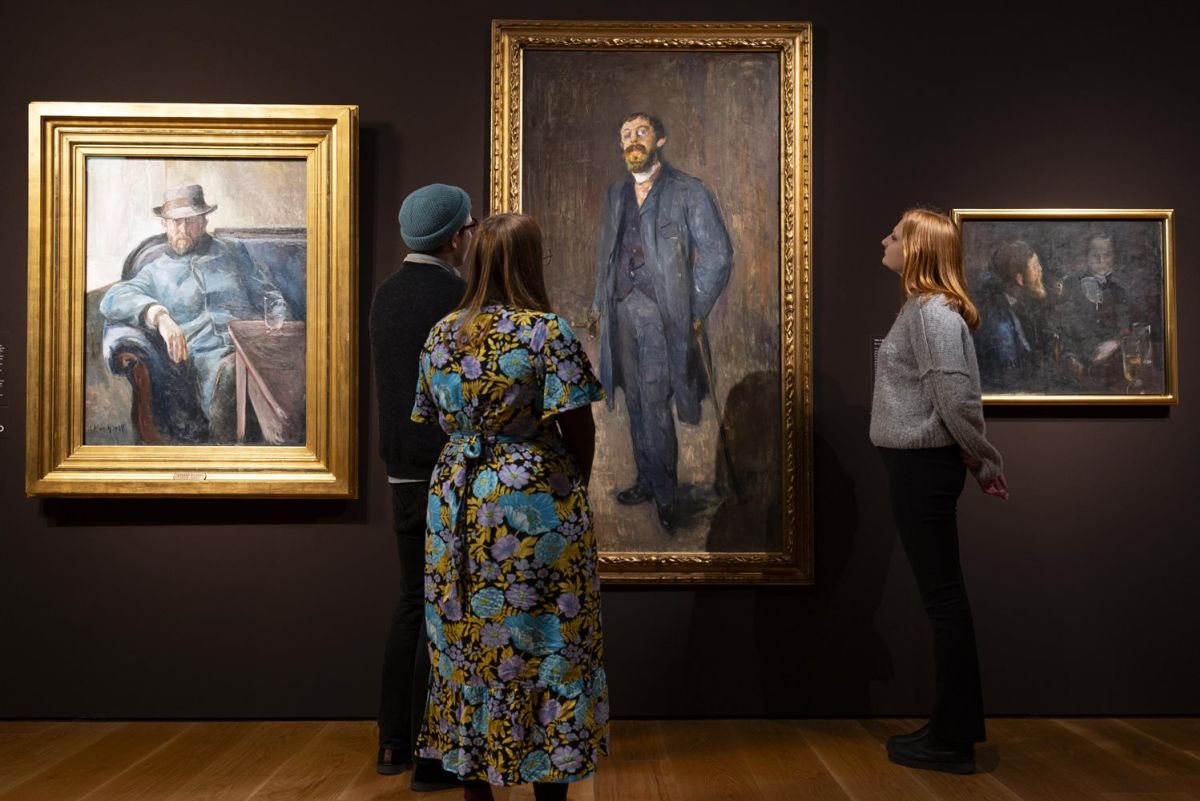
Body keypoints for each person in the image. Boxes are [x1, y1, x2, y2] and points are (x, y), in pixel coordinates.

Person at [412, 213, 609, 801]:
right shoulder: (547, 331)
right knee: (547, 638)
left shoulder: (441, 333)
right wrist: (571, 494)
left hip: (456, 499)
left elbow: (432, 417)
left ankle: (476, 790)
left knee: (466, 641)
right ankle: (550, 787)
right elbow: (580, 428)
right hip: (532, 500)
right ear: (528, 262)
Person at [870, 208, 1009, 775]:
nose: (885, 239)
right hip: (918, 466)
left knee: (944, 602)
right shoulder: (922, 310)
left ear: (918, 249)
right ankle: (949, 728)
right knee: (943, 601)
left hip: (923, 468)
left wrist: (985, 461)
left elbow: (955, 398)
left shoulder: (932, 313)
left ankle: (952, 741)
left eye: (896, 234)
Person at [369, 183, 475, 792]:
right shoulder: (459, 297)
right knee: (451, 606)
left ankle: (392, 741)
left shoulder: (386, 294)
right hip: (448, 470)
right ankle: (436, 753)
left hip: (401, 469)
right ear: (457, 237)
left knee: (412, 599)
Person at [586, 112, 733, 532]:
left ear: (660, 139)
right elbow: (607, 257)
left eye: (641, 132)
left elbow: (718, 255)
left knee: (654, 401)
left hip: (664, 315)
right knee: (633, 398)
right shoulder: (616, 194)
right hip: (621, 311)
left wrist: (692, 309)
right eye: (626, 134)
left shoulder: (689, 191)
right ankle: (647, 481)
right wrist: (599, 307)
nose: (633, 140)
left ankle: (667, 495)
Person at [99, 184, 286, 442]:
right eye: (176, 222)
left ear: (204, 220)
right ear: (165, 224)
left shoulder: (233, 252)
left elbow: (271, 297)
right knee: (234, 373)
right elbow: (112, 299)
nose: (183, 229)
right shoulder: (155, 271)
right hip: (214, 366)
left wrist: (277, 331)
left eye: (191, 221)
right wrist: (159, 316)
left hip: (260, 349)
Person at [974, 240, 1055, 391]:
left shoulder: (1023, 303)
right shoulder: (999, 324)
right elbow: (1010, 379)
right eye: (1035, 266)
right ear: (1020, 279)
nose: (1040, 270)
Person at [1060, 232, 1131, 391]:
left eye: (1106, 255)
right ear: (1087, 257)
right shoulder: (1071, 286)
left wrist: (1115, 343)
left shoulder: (1119, 291)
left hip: (1111, 365)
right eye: (1095, 255)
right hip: (1080, 363)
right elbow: (1063, 327)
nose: (1101, 260)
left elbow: (1125, 328)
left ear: (1113, 257)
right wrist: (1070, 357)